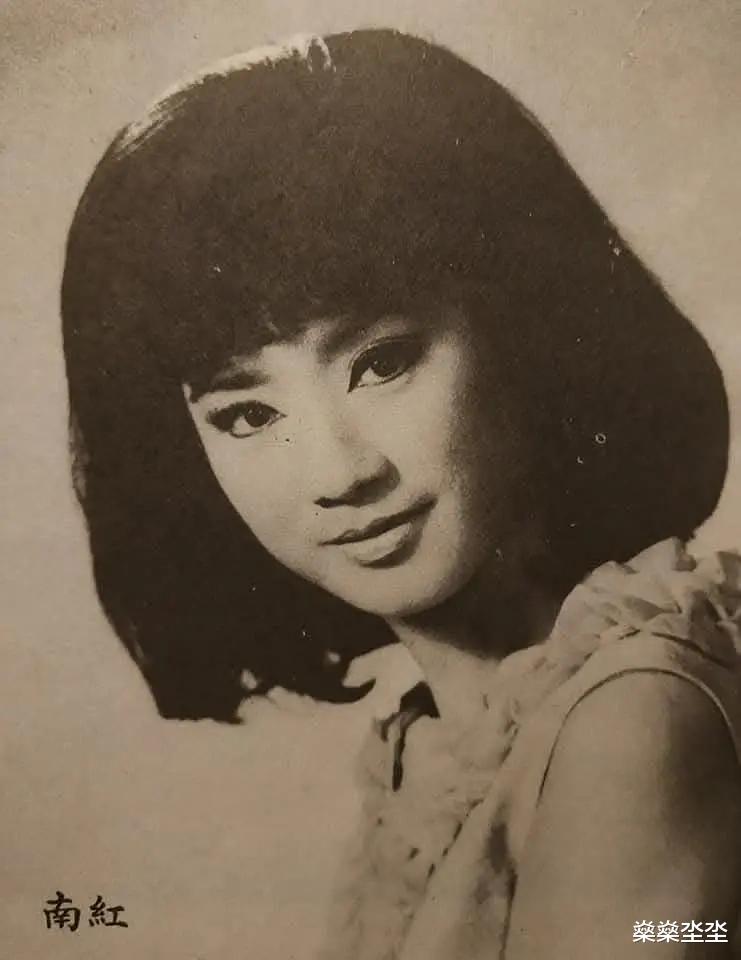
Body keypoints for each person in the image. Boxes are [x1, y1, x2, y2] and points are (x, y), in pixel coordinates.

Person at [62, 28, 741, 960]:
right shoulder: (434, 753)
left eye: (380, 362)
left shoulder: (632, 722)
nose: (338, 474)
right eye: (247, 415)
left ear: (523, 323)